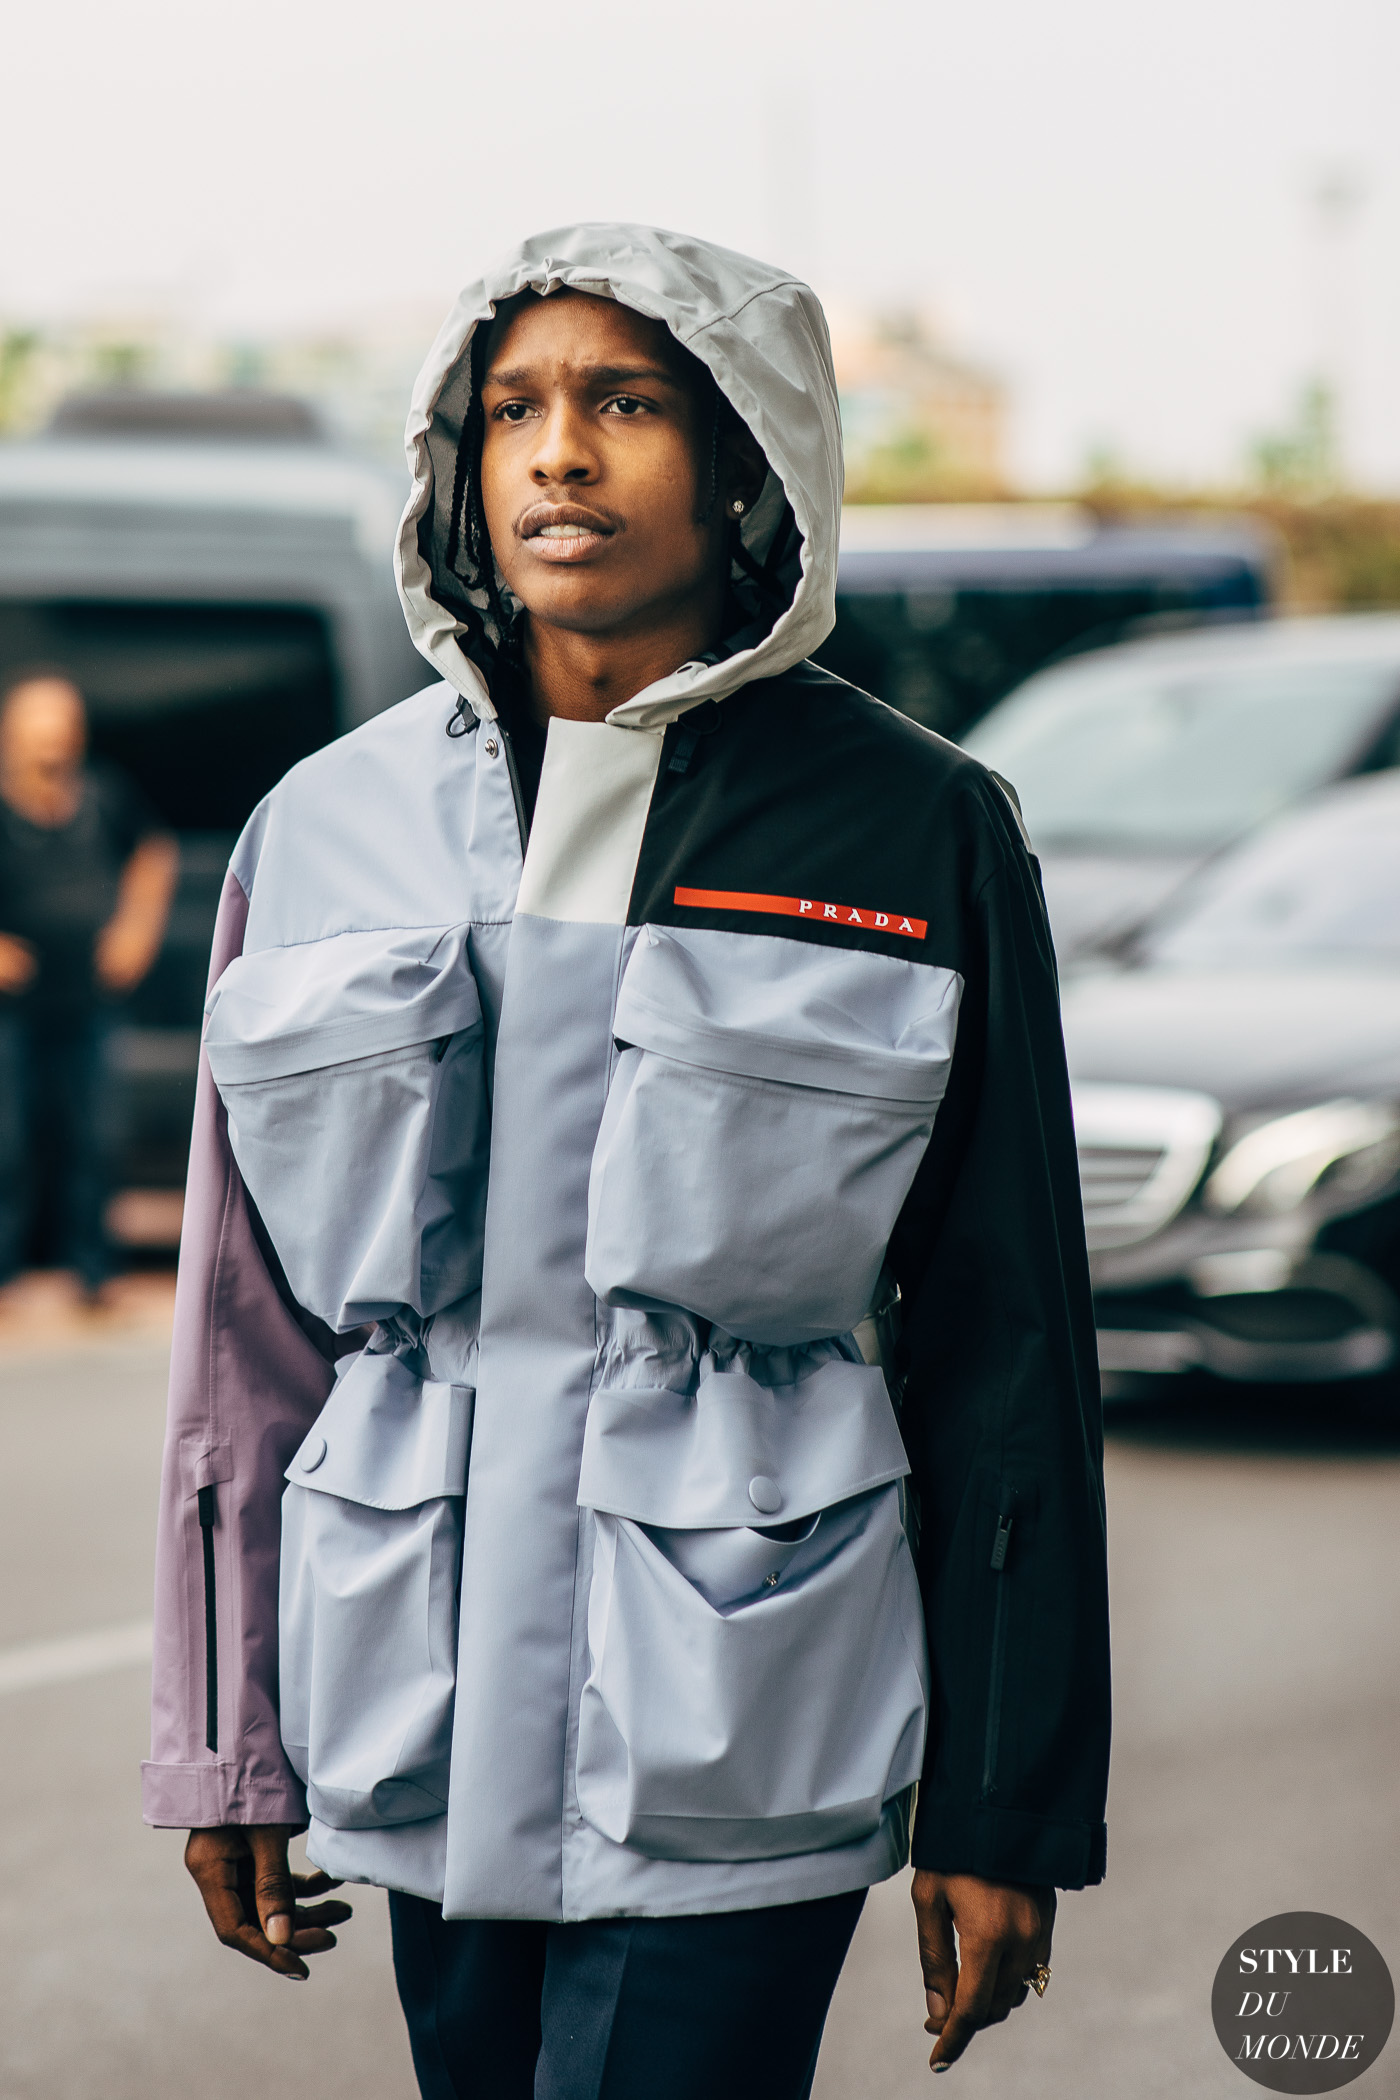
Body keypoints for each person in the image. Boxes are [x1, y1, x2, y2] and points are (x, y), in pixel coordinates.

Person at [146, 226, 1110, 2097]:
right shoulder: (323, 830)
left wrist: (1004, 1803)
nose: (558, 455)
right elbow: (241, 1339)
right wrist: (225, 1741)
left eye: (625, 403)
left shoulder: (918, 832)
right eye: (512, 408)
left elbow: (1007, 1348)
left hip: (747, 1703)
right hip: (411, 1693)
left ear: (750, 464)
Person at [0, 671, 177, 1294]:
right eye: (38, 739)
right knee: (8, 1142)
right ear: (9, 741)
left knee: (94, 1137)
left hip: (89, 1002)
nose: (52, 754)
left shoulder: (104, 797)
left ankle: (91, 1273)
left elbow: (154, 854)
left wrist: (135, 930)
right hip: (11, 1009)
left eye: (62, 737)